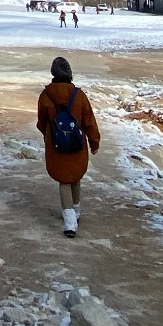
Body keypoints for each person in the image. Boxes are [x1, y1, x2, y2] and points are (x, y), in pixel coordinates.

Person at [36, 56, 100, 237]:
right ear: (70, 74)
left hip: (56, 147)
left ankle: (70, 222)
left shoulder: (45, 96)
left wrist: (49, 137)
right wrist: (94, 142)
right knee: (75, 176)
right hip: (77, 145)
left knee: (64, 179)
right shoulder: (79, 96)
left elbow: (42, 123)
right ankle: (75, 213)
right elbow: (89, 122)